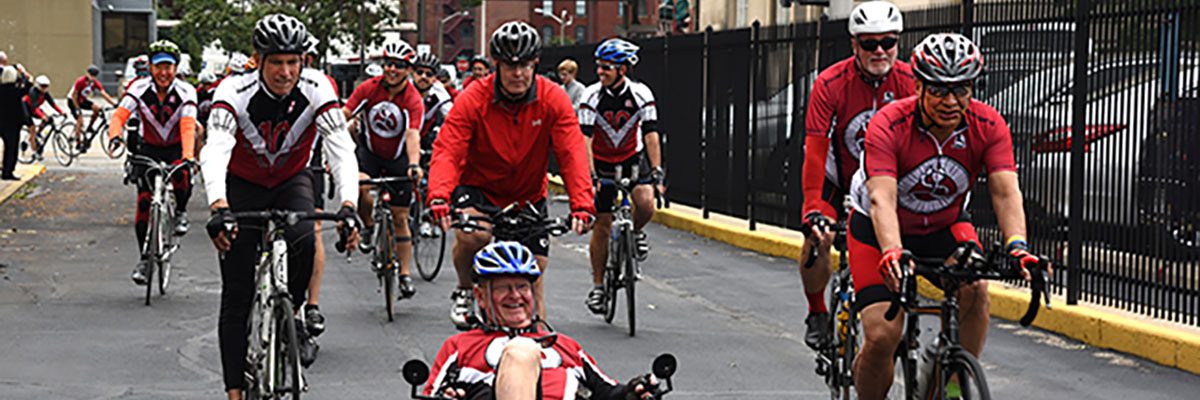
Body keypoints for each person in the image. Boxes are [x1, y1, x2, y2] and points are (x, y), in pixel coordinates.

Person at [847, 33, 1046, 400]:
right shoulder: (889, 124)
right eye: (939, 90)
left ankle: (948, 383)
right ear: (918, 85)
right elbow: (882, 199)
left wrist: (1018, 246)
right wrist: (892, 251)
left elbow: (1005, 191)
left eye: (962, 89)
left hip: (945, 224)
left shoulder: (988, 125)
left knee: (976, 290)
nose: (952, 101)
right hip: (878, 232)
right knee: (881, 337)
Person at [198, 14, 361, 400]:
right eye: (276, 62)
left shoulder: (318, 86)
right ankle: (234, 391)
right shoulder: (232, 91)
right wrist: (219, 206)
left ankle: (295, 314)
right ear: (258, 59)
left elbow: (341, 151)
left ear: (304, 60)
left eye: (294, 61)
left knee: (306, 237)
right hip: (242, 185)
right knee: (236, 293)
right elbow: (215, 150)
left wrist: (350, 203)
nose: (286, 72)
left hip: (291, 179)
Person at [427, 20, 596, 329]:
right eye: (509, 66)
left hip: (527, 195)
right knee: (474, 234)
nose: (518, 73)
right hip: (479, 188)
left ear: (535, 64)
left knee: (534, 273)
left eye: (525, 65)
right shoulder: (474, 97)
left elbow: (572, 153)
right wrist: (438, 196)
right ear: (497, 65)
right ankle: (465, 289)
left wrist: (582, 204)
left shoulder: (553, 98)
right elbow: (449, 149)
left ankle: (540, 352)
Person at [798, 0, 913, 350]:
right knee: (819, 240)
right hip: (840, 178)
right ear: (854, 45)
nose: (879, 51)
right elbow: (815, 151)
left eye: (888, 42)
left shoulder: (911, 81)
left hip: (889, 184)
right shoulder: (830, 83)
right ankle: (817, 311)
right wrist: (812, 207)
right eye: (869, 44)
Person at [422, 241, 659, 400]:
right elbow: (431, 394)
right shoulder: (460, 346)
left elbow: (608, 391)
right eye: (504, 288)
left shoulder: (565, 346)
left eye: (522, 287)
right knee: (522, 351)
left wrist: (633, 390)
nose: (515, 296)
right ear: (480, 297)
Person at [577, 38, 664, 315]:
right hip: (602, 161)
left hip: (631, 158)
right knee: (602, 225)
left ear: (622, 70)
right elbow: (584, 139)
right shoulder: (590, 96)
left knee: (646, 204)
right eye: (599, 67)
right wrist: (589, 174)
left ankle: (636, 232)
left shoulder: (641, 93)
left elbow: (650, 133)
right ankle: (599, 287)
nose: (600, 72)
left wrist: (656, 169)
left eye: (606, 68)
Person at [106, 40, 198, 284]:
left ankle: (180, 210)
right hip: (150, 148)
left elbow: (188, 125)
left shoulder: (186, 91)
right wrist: (115, 135)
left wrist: (188, 155)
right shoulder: (138, 87)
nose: (164, 72)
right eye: (159, 67)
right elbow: (120, 114)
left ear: (176, 68)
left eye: (169, 66)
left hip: (176, 145)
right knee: (145, 202)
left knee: (182, 175)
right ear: (151, 67)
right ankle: (145, 260)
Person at [342, 38, 425, 299]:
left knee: (401, 218)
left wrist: (414, 164)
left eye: (399, 66)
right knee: (361, 186)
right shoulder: (368, 88)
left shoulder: (413, 98)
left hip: (399, 157)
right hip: (369, 153)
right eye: (389, 64)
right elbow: (344, 113)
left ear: (408, 70)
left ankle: (404, 274)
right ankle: (367, 225)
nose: (392, 70)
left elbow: (412, 133)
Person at [67, 64, 118, 152]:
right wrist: (77, 109)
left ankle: (90, 126)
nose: (92, 78)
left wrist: (114, 104)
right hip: (73, 101)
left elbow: (104, 94)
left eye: (94, 76)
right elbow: (74, 95)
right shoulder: (80, 81)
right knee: (80, 121)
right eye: (91, 75)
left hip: (82, 100)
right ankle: (78, 142)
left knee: (97, 109)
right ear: (87, 74)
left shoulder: (95, 83)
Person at [411, 52, 454, 154]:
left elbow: (452, 118)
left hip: (425, 137)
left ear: (435, 77)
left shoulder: (440, 93)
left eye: (429, 74)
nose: (423, 77)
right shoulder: (405, 87)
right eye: (420, 72)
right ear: (413, 73)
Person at [22, 75, 66, 160]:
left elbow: (53, 104)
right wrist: (42, 116)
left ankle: (38, 133)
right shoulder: (33, 92)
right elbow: (35, 108)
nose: (44, 88)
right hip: (26, 110)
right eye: (43, 86)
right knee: (32, 129)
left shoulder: (45, 93)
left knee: (49, 119)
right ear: (38, 85)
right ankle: (34, 152)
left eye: (46, 86)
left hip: (35, 109)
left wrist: (61, 112)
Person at [0, 65, 30, 180]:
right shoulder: (15, 90)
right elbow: (28, 85)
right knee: (11, 148)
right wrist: (24, 74)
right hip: (12, 124)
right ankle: (7, 171)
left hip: (1, 122)